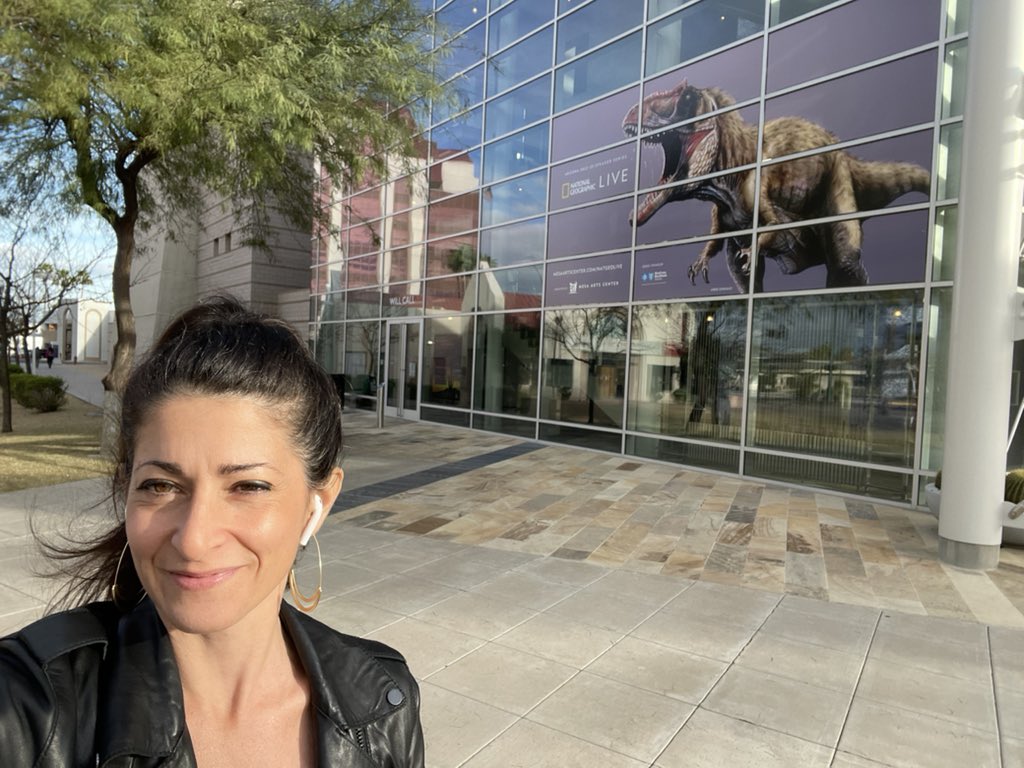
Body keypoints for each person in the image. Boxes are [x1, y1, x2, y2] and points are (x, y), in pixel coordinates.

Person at [0, 296, 424, 767]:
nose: (194, 538)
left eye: (248, 486)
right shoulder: (31, 703)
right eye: (160, 485)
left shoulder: (383, 700)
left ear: (316, 504)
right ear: (126, 490)